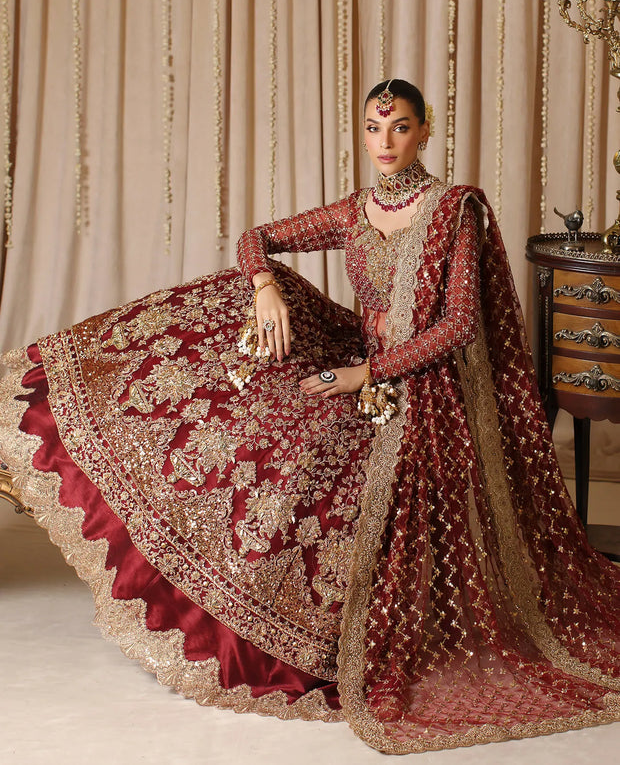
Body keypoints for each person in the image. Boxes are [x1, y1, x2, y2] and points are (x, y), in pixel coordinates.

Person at [1, 79, 619, 755]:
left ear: (425, 130)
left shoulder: (452, 211)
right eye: (374, 128)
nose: (386, 142)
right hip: (361, 361)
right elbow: (255, 239)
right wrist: (267, 288)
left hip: (424, 384)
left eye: (401, 127)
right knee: (238, 327)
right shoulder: (355, 212)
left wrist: (366, 373)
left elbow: (461, 326)